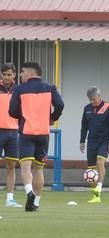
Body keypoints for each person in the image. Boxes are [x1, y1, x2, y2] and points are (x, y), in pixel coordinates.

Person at [9, 62, 64, 212]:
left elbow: (12, 111)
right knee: (39, 169)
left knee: (25, 167)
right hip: (43, 133)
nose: (20, 75)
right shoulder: (50, 88)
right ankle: (36, 203)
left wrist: (22, 117)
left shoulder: (19, 89)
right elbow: (60, 104)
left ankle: (29, 193)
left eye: (22, 72)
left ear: (31, 73)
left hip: (27, 133)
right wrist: (52, 117)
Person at [80, 86, 109, 203]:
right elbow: (84, 126)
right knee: (91, 170)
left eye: (93, 99)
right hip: (91, 142)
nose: (92, 102)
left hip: (104, 141)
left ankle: (99, 187)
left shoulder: (108, 108)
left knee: (100, 162)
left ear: (99, 96)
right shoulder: (87, 109)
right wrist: (82, 141)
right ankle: (95, 196)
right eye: (90, 100)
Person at [0, 63, 20, 208]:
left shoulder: (19, 90)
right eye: (4, 74)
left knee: (11, 166)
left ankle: (10, 199)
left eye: (9, 74)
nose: (6, 77)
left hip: (13, 132)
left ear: (14, 75)